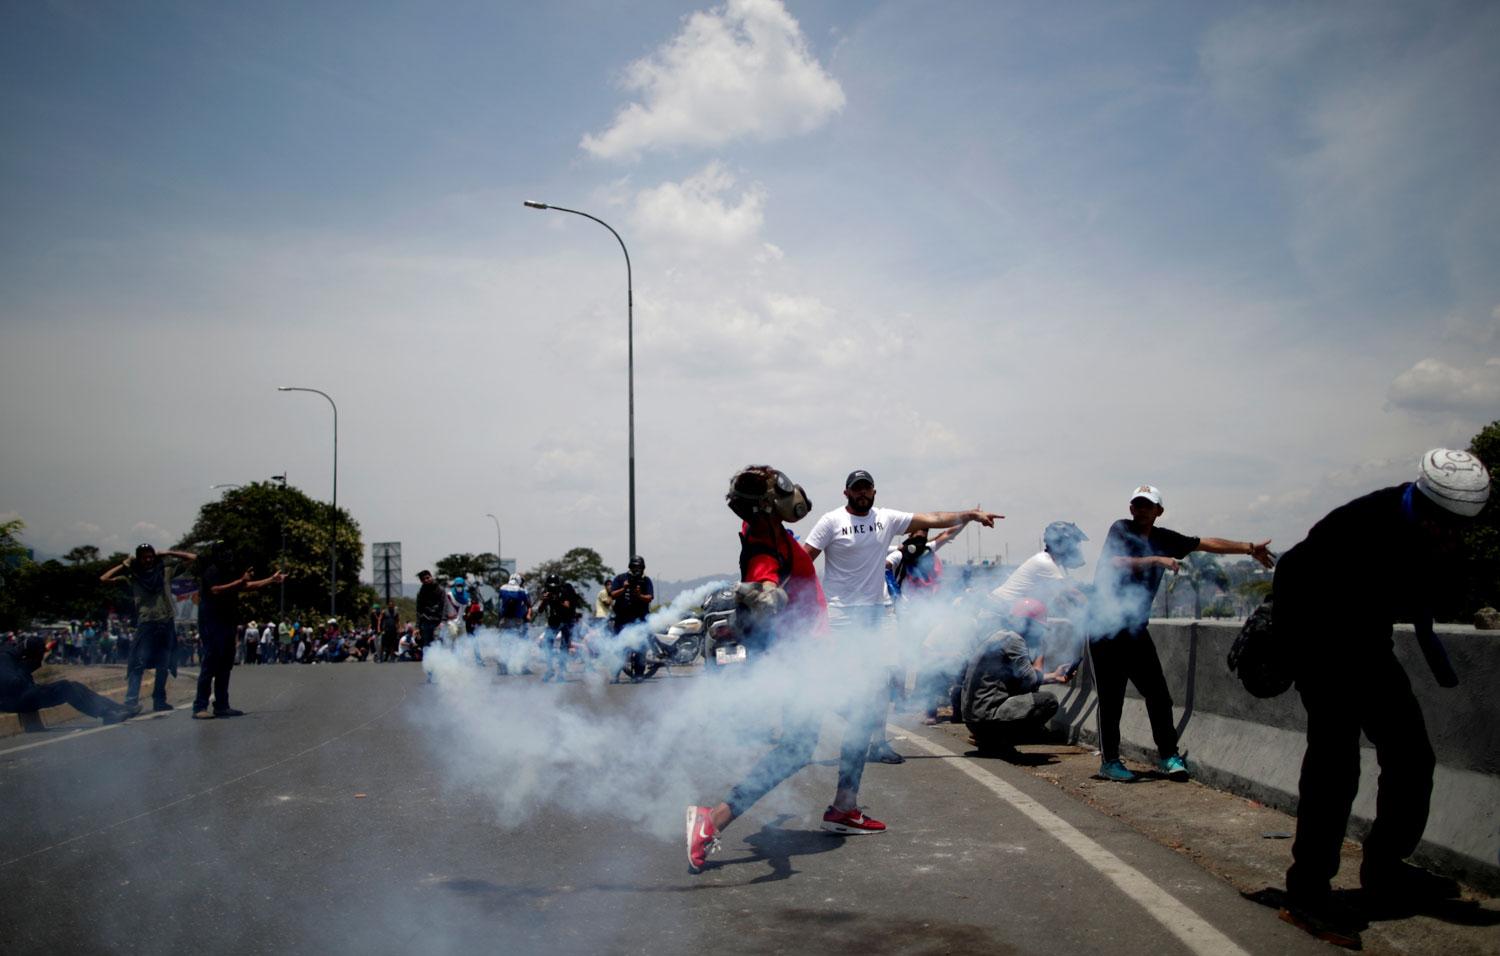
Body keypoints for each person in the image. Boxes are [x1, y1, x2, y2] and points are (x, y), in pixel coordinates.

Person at [1273, 449, 1490, 947]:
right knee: (1336, 761)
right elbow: (1291, 577)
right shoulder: (1360, 525)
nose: (1449, 533)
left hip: (1368, 642)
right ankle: (1306, 891)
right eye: (1442, 523)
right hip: (1316, 637)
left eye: (1460, 526)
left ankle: (1386, 867)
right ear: (1425, 501)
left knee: (1413, 755)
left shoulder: (1444, 531)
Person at [688, 464, 880, 875]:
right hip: (804, 659)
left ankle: (715, 819)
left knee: (800, 747)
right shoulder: (763, 545)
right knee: (860, 712)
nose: (793, 492)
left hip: (806, 654)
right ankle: (842, 808)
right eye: (782, 488)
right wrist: (765, 594)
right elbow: (762, 579)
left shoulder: (771, 534)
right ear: (766, 505)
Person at [802, 469, 1001, 764]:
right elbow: (805, 560)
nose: (862, 493)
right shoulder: (831, 521)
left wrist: (969, 515)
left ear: (874, 491)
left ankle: (878, 743)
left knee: (882, 680)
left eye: (866, 488)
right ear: (846, 493)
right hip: (841, 613)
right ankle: (809, 736)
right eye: (856, 489)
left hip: (878, 614)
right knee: (839, 681)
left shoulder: (886, 519)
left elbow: (933, 520)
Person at [1088, 485, 1274, 783]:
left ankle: (1169, 756)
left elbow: (1205, 543)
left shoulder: (1164, 538)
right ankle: (1109, 762)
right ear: (1131, 508)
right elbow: (1114, 563)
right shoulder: (1121, 530)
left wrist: (1249, 548)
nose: (1141, 509)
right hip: (1104, 628)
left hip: (1135, 630)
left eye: (1148, 505)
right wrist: (1156, 560)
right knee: (1112, 700)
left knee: (1158, 695)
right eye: (1137, 504)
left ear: (1158, 511)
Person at [960, 598, 1072, 755]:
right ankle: (999, 740)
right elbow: (1031, 681)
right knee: (1048, 701)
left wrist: (1054, 676)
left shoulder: (999, 635)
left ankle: (988, 739)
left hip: (973, 719)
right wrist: (1040, 651)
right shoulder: (1014, 640)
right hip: (986, 719)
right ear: (1028, 624)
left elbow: (1019, 677)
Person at [100, 543, 197, 715]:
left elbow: (193, 558)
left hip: (165, 621)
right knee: (137, 662)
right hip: (146, 623)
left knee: (164, 664)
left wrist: (168, 552)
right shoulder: (133, 577)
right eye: (144, 557)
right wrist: (124, 564)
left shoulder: (165, 571)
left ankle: (159, 701)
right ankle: (131, 702)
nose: (148, 559)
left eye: (150, 556)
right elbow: (104, 579)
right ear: (139, 559)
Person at [192, 546, 284, 720]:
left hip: (228, 622)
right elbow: (216, 590)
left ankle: (221, 705)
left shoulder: (230, 572)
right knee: (210, 662)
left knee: (225, 664)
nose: (227, 556)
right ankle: (200, 706)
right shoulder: (211, 571)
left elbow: (246, 586)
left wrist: (271, 580)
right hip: (212, 622)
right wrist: (240, 581)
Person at [1, 635, 131, 728]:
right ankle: (106, 714)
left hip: (23, 695)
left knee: (73, 685)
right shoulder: (5, 658)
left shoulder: (16, 659)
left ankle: (116, 708)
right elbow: (12, 683)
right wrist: (27, 670)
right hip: (13, 701)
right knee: (65, 688)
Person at [609, 556, 655, 682]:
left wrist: (639, 595)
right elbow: (612, 595)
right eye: (635, 568)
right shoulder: (620, 578)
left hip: (639, 620)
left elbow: (650, 597)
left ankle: (639, 673)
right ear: (630, 567)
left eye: (639, 568)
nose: (637, 570)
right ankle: (615, 674)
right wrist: (624, 588)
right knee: (619, 648)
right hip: (622, 620)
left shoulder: (646, 581)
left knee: (640, 647)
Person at [535, 574, 583, 682]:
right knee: (547, 644)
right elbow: (540, 610)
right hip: (554, 621)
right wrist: (545, 600)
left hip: (566, 621)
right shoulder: (547, 592)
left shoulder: (564, 592)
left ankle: (561, 672)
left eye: (553, 587)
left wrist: (555, 599)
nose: (552, 588)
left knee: (564, 647)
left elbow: (567, 606)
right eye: (550, 586)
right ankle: (550, 669)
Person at [415, 570, 443, 651]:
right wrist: (417, 627)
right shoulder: (421, 593)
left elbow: (445, 606)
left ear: (431, 577)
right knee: (427, 646)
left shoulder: (439, 590)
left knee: (439, 645)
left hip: (438, 623)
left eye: (428, 578)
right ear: (421, 581)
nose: (426, 580)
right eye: (423, 579)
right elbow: (418, 610)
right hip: (426, 623)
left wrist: (443, 621)